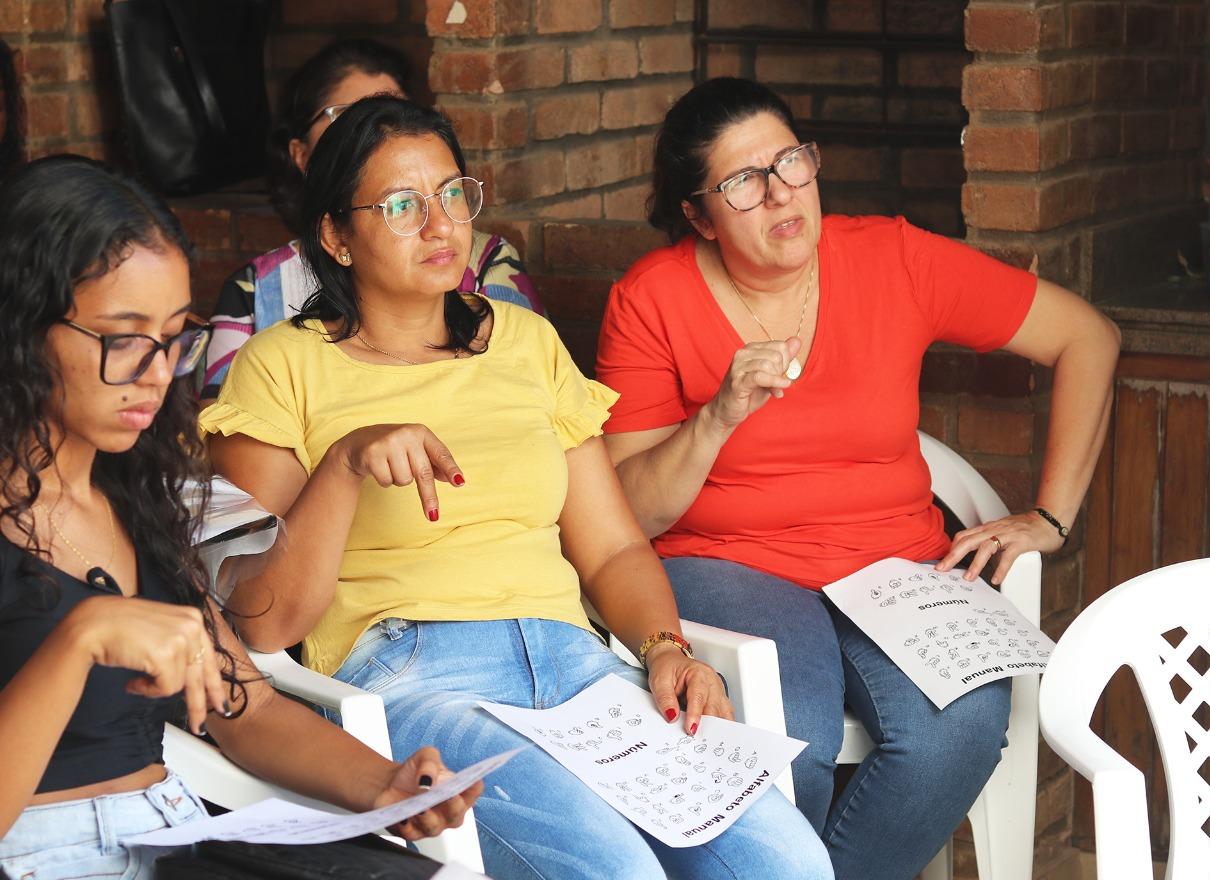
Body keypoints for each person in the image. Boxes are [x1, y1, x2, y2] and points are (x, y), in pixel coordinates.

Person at [199, 96, 833, 880]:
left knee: (791, 862)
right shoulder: (279, 366)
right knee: (617, 872)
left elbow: (610, 548)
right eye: (401, 206)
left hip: (579, 664)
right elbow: (263, 624)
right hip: (417, 676)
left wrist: (665, 648)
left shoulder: (524, 342)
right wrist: (345, 465)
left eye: (452, 195)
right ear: (334, 235)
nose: (440, 226)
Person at [595, 77, 1121, 880]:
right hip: (730, 562)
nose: (780, 193)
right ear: (699, 214)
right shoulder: (651, 300)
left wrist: (1050, 517)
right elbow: (626, 510)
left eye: (790, 162)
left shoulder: (893, 258)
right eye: (743, 182)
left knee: (963, 730)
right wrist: (717, 415)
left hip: (898, 565)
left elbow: (1088, 336)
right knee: (786, 733)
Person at [0, 156, 480, 880]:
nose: (159, 374)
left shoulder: (131, 499)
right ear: (23, 328)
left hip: (171, 834)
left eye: (171, 339)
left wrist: (382, 785)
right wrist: (80, 640)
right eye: (124, 339)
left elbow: (247, 711)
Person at [201, 38, 541, 405]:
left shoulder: (515, 322)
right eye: (400, 204)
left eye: (392, 115)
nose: (439, 226)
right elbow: (221, 436)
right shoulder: (266, 329)